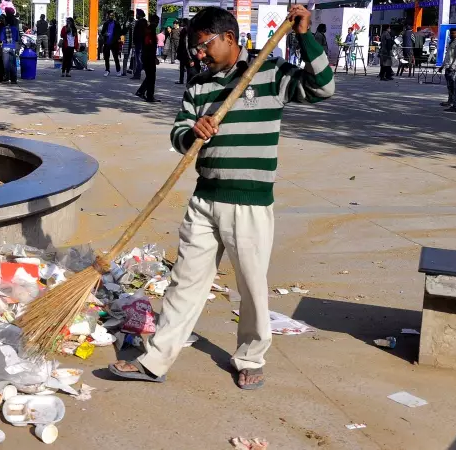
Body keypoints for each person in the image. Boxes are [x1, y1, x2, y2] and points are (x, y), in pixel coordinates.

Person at [108, 5, 334, 390]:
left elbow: (323, 86)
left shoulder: (270, 73)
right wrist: (193, 131)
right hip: (204, 199)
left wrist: (303, 35)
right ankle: (155, 360)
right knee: (184, 282)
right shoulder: (198, 85)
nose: (199, 54)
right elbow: (179, 134)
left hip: (249, 202)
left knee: (251, 287)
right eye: (195, 48)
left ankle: (250, 358)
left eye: (204, 45)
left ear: (229, 38)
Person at [135, 14, 159, 102]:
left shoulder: (148, 30)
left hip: (146, 55)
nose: (157, 24)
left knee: (149, 76)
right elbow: (150, 45)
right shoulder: (151, 30)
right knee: (151, 77)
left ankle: (141, 91)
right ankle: (149, 96)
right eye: (157, 22)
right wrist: (154, 57)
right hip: (149, 56)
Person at [438, 27, 456, 107]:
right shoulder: (450, 42)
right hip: (447, 66)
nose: (451, 35)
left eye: (453, 33)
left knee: (452, 85)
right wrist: (442, 66)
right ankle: (450, 100)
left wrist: (453, 67)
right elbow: (447, 55)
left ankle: (453, 102)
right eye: (451, 33)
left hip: (452, 68)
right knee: (449, 85)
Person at [0, 7, 19, 84]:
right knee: (13, 63)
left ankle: (7, 78)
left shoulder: (4, 29)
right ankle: (14, 79)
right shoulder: (15, 29)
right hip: (13, 47)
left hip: (5, 47)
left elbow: (1, 39)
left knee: (6, 64)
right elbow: (17, 39)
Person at [100, 11, 121, 76]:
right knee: (106, 57)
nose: (111, 16)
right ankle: (107, 70)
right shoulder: (106, 23)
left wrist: (118, 39)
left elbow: (119, 32)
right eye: (110, 15)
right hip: (107, 42)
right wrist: (105, 34)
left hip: (114, 42)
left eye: (112, 15)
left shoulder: (117, 23)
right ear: (108, 16)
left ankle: (118, 70)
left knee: (116, 57)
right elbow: (102, 32)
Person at [176, 18, 195, 84]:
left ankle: (182, 80)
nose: (181, 24)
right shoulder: (189, 30)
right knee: (187, 67)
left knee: (183, 67)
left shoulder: (185, 30)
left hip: (184, 51)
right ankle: (188, 81)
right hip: (185, 51)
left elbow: (185, 43)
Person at [131, 9, 147, 79]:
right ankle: (140, 70)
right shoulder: (144, 22)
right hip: (142, 43)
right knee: (140, 59)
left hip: (139, 43)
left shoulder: (140, 23)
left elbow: (138, 34)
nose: (136, 15)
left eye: (137, 14)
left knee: (138, 59)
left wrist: (135, 41)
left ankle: (137, 74)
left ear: (139, 15)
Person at [120, 10, 134, 75]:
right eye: (130, 15)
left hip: (133, 42)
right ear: (128, 16)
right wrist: (127, 27)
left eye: (132, 15)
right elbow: (123, 32)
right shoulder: (125, 22)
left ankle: (134, 71)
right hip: (127, 42)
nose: (131, 16)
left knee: (134, 57)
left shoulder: (135, 22)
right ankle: (124, 72)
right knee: (125, 57)